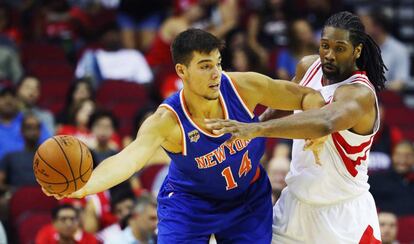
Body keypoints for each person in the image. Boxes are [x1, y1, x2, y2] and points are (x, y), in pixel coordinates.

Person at [44, 28, 323, 243]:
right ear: (181, 71)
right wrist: (84, 187)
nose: (216, 73)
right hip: (190, 204)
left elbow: (307, 97)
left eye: (218, 63)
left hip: (246, 197)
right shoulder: (168, 121)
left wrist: (317, 128)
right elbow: (127, 160)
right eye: (204, 66)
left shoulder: (242, 87)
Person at [206, 11, 386, 243]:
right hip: (294, 206)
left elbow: (324, 122)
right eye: (325, 46)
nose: (329, 55)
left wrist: (256, 130)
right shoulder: (308, 67)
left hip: (342, 217)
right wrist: (249, 132)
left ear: (357, 51)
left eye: (340, 48)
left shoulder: (359, 94)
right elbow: (283, 104)